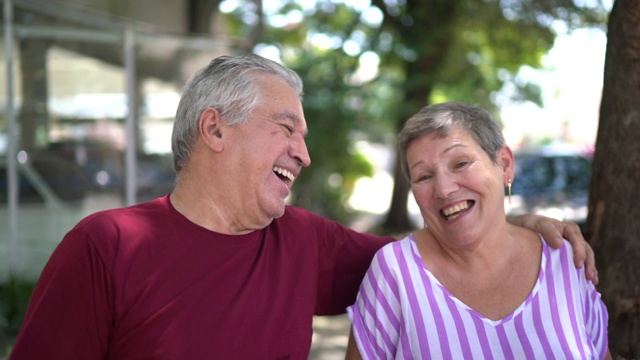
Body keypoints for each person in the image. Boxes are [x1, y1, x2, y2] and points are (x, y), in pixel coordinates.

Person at [10, 56, 596, 360]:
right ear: (215, 129)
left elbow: (443, 252)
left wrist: (516, 221)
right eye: (286, 128)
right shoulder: (107, 245)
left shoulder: (304, 241)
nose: (305, 153)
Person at [345, 102, 609, 359]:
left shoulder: (564, 259)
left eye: (460, 163)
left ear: (505, 165)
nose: (444, 189)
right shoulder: (396, 272)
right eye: (424, 176)